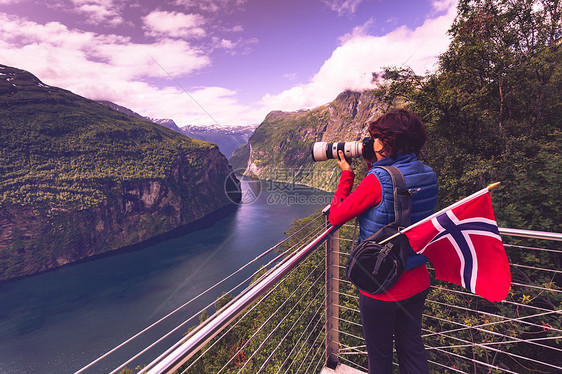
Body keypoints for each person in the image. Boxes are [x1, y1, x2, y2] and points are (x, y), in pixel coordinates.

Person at [329, 109, 438, 374]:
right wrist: (373, 165)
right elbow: (396, 196)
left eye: (376, 138)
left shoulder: (377, 180)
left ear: (388, 142)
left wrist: (347, 174)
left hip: (381, 282)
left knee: (379, 358)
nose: (372, 143)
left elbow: (336, 216)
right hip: (417, 278)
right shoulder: (428, 174)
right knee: (411, 348)